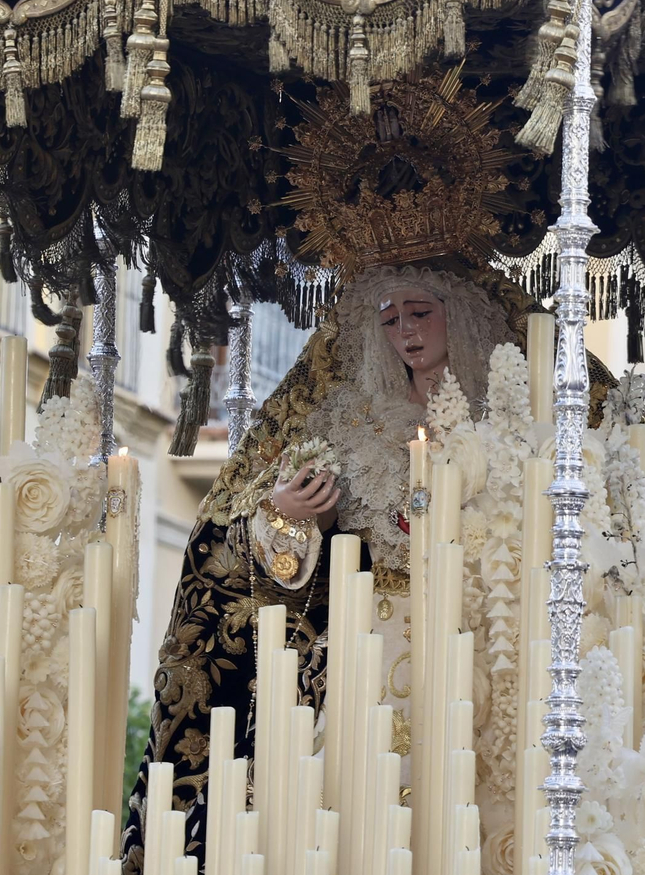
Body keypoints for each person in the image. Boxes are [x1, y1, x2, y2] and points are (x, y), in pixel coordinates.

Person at [119, 260, 617, 871]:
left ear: (459, 314)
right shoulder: (349, 420)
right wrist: (294, 515)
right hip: (370, 643)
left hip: (484, 638)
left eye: (420, 312)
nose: (406, 331)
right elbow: (288, 537)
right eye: (390, 318)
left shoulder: (512, 419)